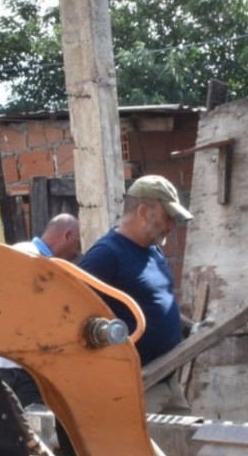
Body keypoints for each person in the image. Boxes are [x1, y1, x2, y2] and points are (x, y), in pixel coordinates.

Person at [78, 175, 193, 414]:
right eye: (167, 217)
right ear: (143, 212)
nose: (172, 225)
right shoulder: (106, 255)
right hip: (137, 387)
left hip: (167, 379)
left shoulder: (154, 251)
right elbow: (74, 319)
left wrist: (189, 326)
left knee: (191, 438)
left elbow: (155, 303)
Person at [0, 213, 83, 407]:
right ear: (67, 235)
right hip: (18, 368)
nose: (78, 253)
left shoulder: (40, 260)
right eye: (77, 244)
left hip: (25, 366)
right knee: (33, 421)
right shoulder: (28, 256)